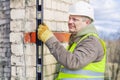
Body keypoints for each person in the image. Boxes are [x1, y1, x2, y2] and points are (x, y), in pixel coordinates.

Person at [38, 1, 106, 80]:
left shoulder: (91, 42)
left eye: (74, 19)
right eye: (69, 18)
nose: (70, 22)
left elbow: (73, 62)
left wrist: (49, 39)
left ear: (87, 22)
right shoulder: (78, 41)